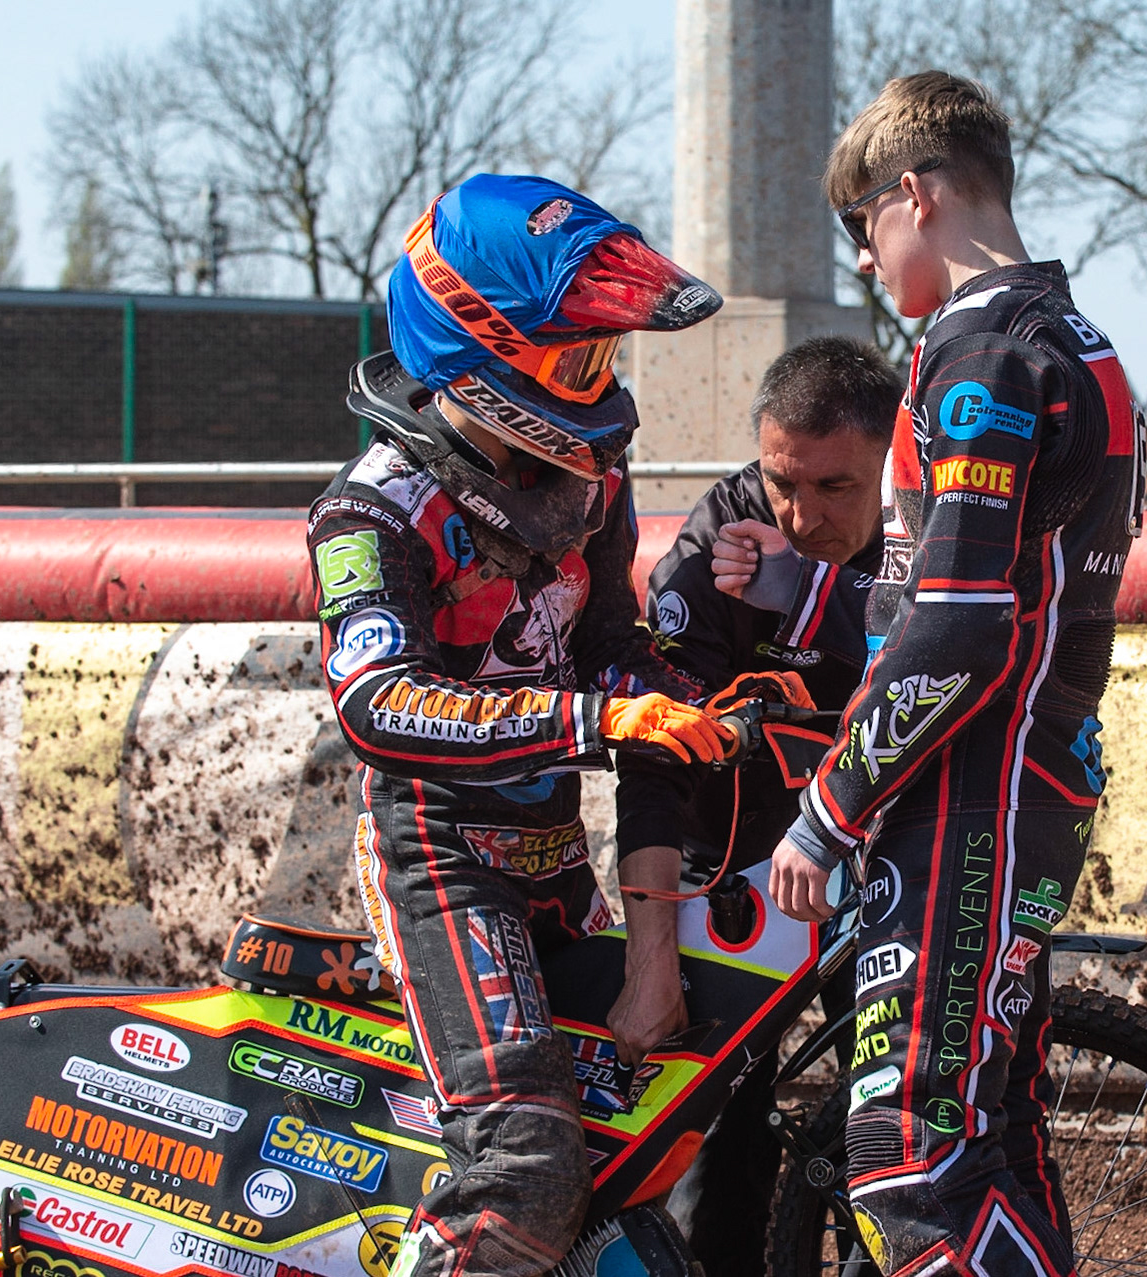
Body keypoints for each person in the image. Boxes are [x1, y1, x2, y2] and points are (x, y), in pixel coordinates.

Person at [714, 72, 1146, 1277]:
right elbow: (975, 594)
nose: (861, 263)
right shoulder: (1080, 340)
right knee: (990, 1138)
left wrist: (830, 808)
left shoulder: (983, 359)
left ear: (917, 194)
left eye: (865, 228)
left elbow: (958, 629)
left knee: (908, 1151)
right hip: (1026, 775)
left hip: (973, 793)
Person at [311, 174, 760, 1277]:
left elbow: (606, 631)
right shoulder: (372, 509)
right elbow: (378, 702)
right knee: (526, 1168)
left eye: (600, 360)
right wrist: (599, 714)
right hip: (439, 862)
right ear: (475, 353)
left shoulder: (592, 477)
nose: (594, 389)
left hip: (554, 859)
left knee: (634, 1137)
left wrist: (682, 698)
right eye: (572, 364)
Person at [614, 335, 900, 1277]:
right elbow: (653, 762)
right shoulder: (717, 544)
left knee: (893, 1114)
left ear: (891, 457)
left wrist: (820, 589)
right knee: (718, 1133)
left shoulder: (937, 499)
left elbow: (964, 634)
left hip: (877, 842)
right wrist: (653, 954)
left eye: (836, 489)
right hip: (734, 859)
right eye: (784, 480)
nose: (802, 512)